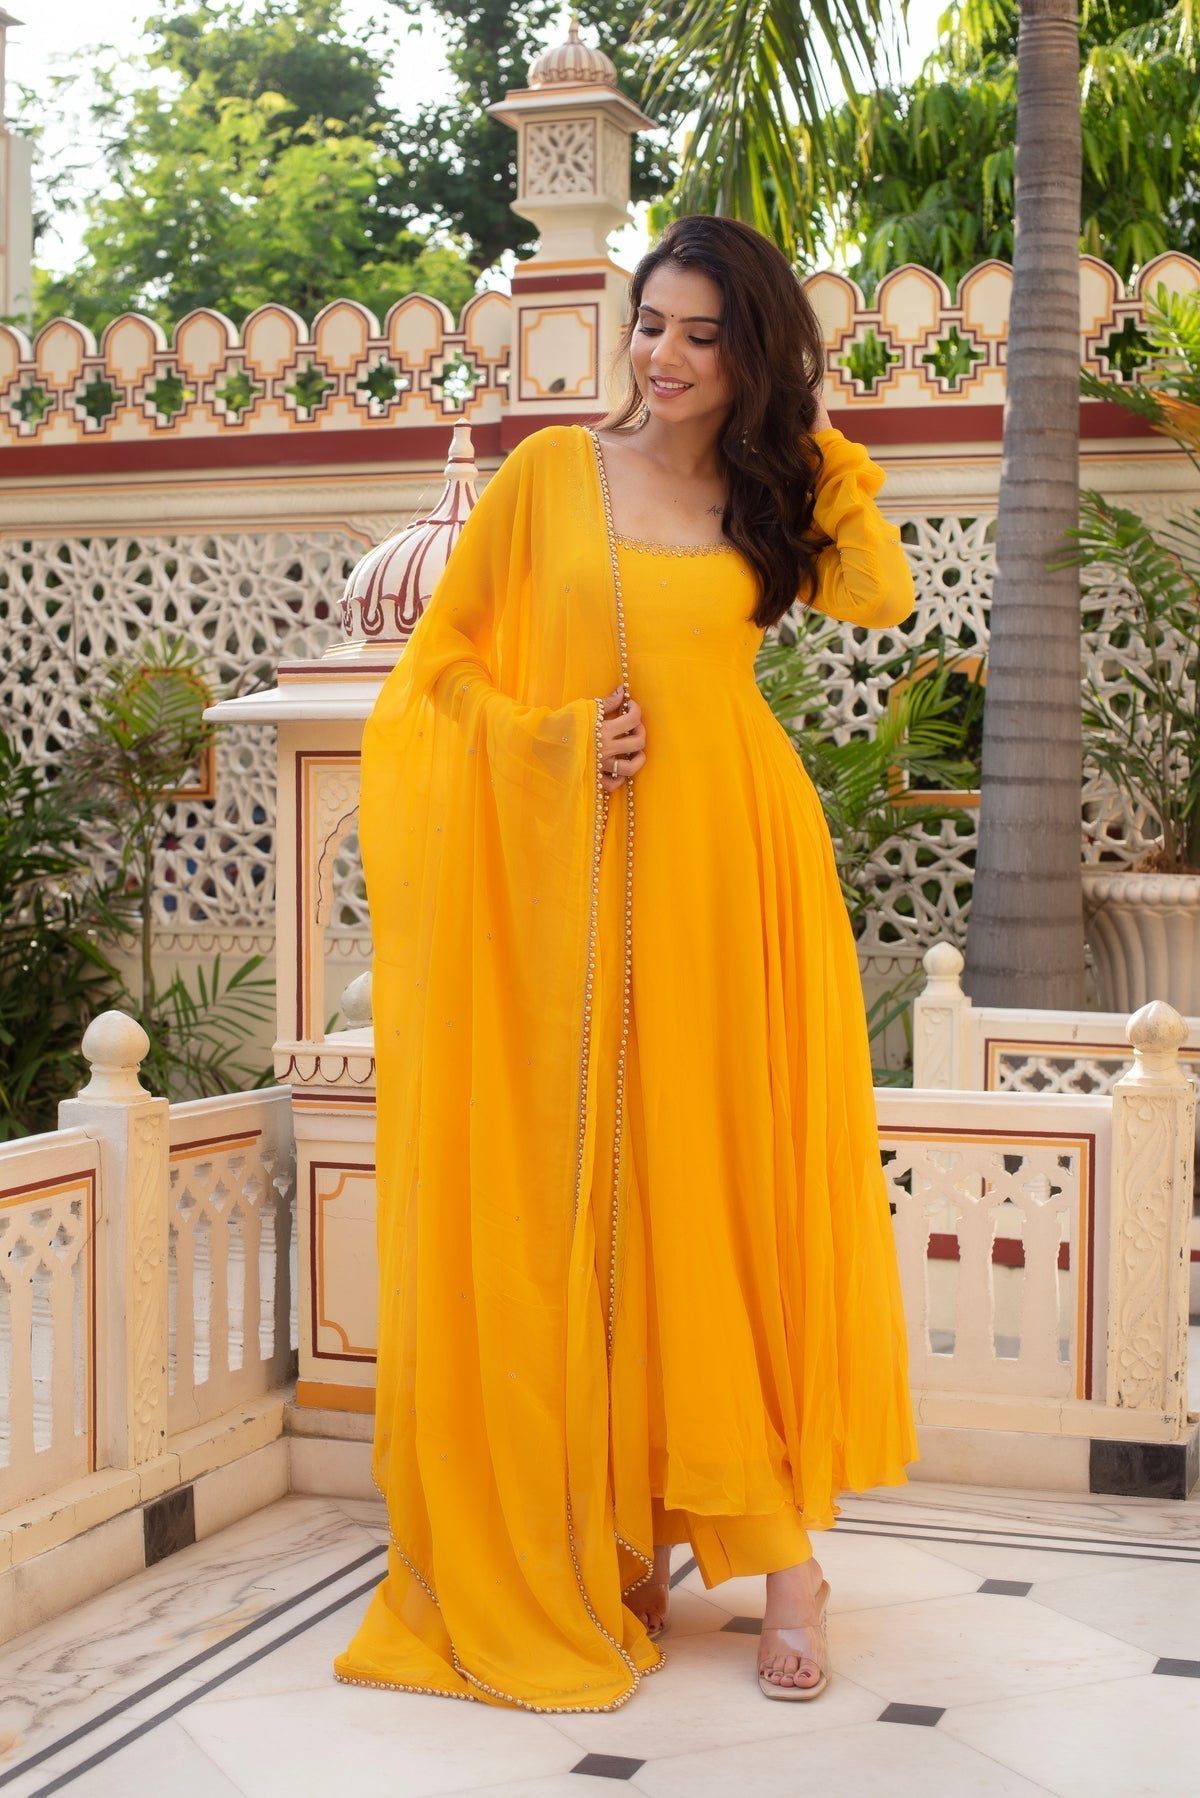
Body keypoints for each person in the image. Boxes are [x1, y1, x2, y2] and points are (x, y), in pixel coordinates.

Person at [335, 214, 918, 1713]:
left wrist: (824, 452)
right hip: (588, 878)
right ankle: (624, 1521)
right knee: (608, 1190)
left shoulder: (765, 498)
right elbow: (436, 676)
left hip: (736, 867)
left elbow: (880, 595)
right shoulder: (552, 476)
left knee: (725, 1190)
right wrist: (550, 741)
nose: (662, 355)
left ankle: (787, 1565)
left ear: (750, 357)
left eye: (701, 335)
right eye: (650, 323)